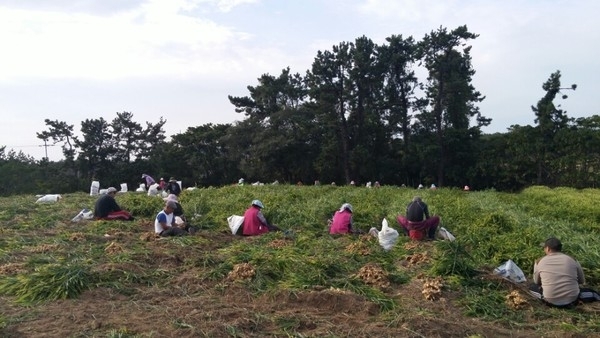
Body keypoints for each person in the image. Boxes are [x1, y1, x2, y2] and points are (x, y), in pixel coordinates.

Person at [529, 237, 586, 307]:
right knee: (590, 292)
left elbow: (537, 282)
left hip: (550, 301)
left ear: (548, 249)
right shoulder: (572, 259)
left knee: (531, 287)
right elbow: (581, 281)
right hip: (573, 300)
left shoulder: (539, 261)